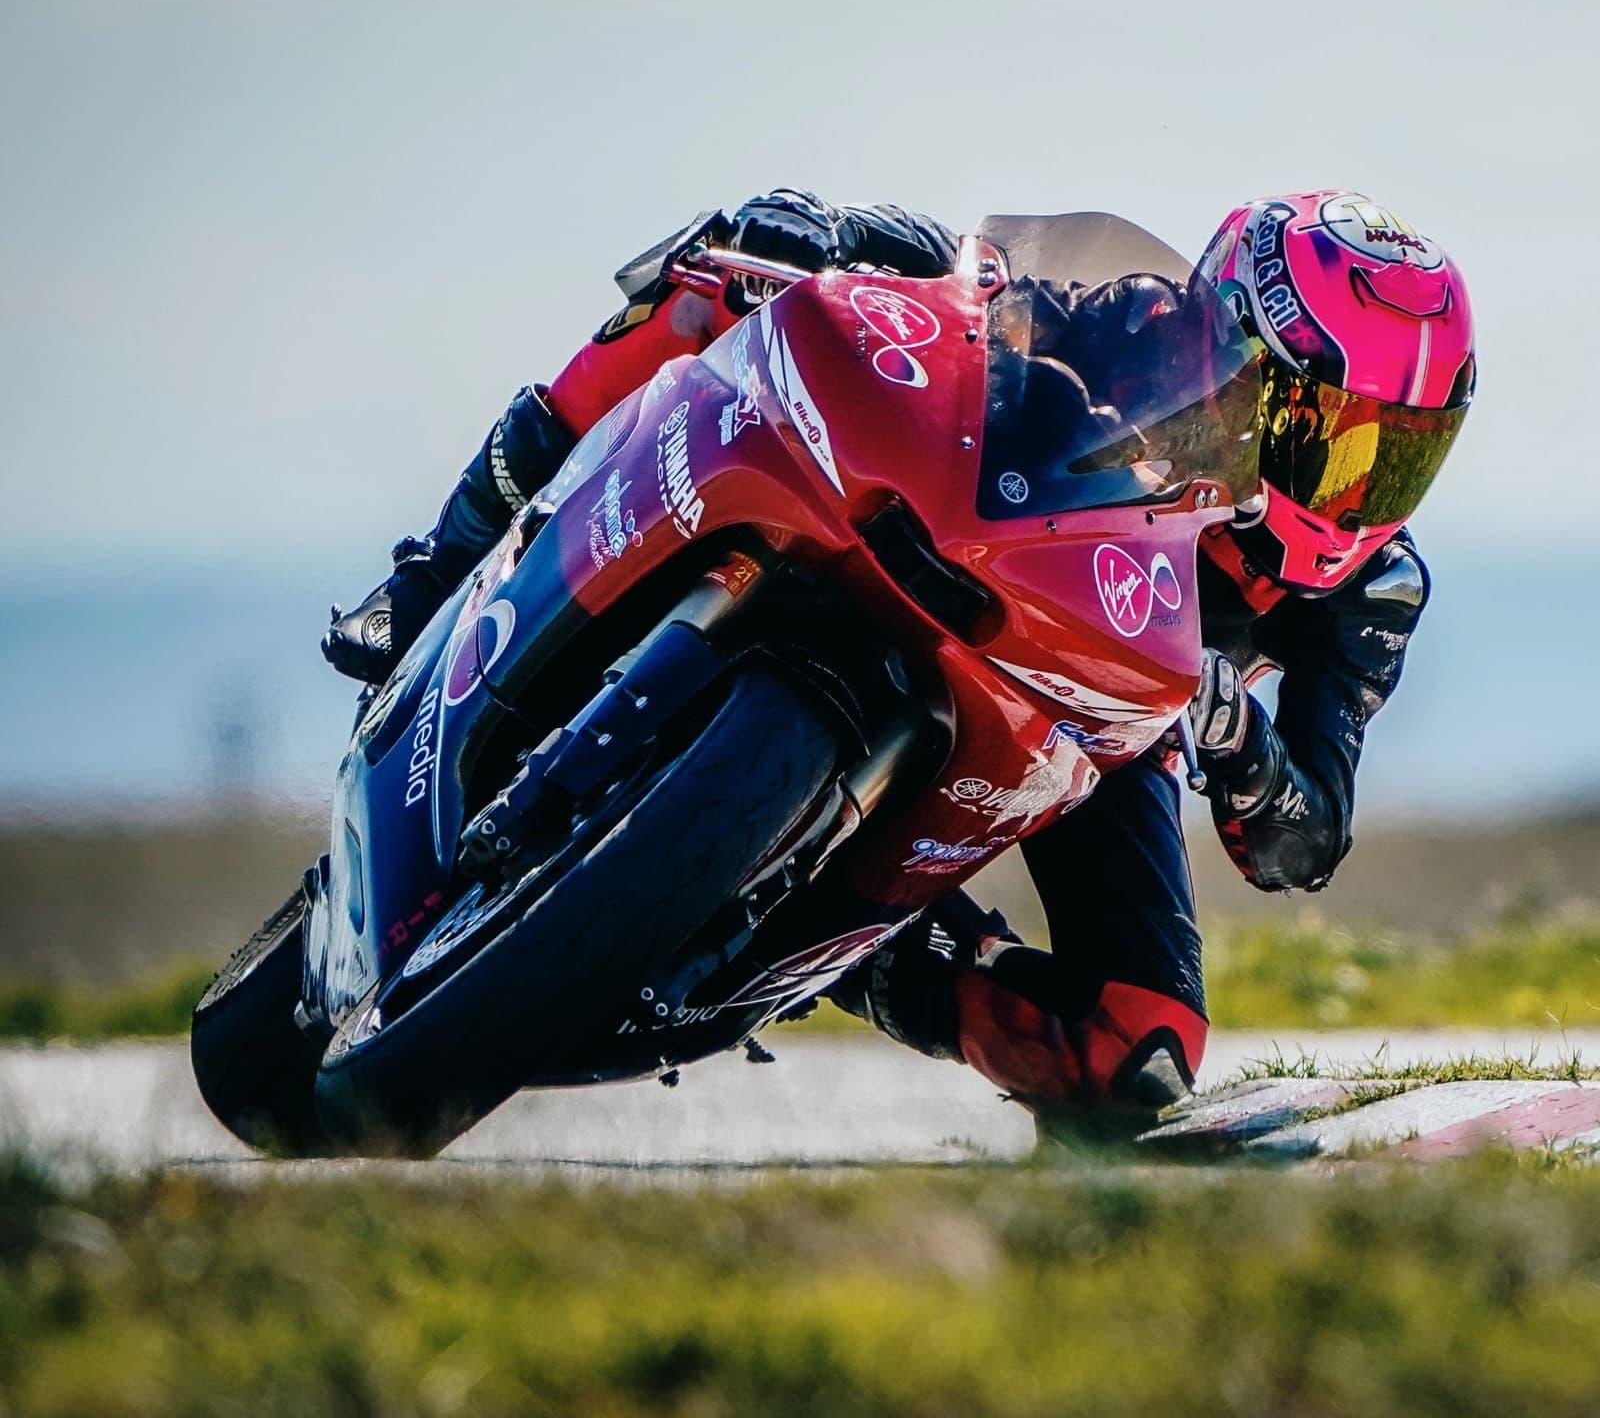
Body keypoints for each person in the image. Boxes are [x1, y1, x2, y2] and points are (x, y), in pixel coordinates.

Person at [322, 187, 1476, 1132]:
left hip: (1096, 726)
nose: (1356, 488)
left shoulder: (1369, 591)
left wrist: (1239, 739)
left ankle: (862, 955)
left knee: (1136, 1046)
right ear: (1238, 350)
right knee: (722, 268)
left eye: (1397, 456)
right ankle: (433, 572)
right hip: (953, 544)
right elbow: (972, 279)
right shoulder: (1137, 322)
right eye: (1332, 433)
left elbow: (1302, 840)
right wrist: (836, 236)